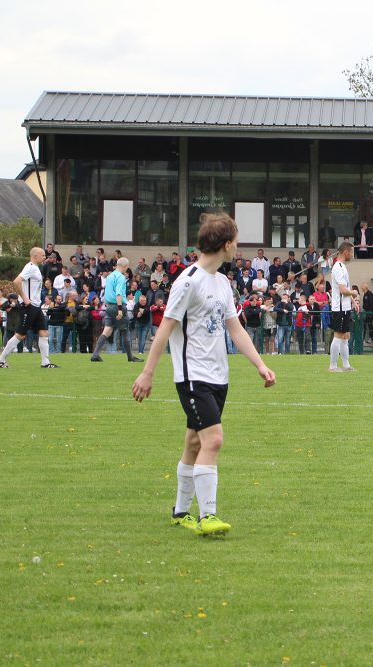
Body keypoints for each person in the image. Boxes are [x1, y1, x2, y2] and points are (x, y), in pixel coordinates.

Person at [131, 212, 276, 537]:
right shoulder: (188, 281)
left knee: (194, 442)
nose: (237, 247)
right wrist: (147, 373)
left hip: (218, 377)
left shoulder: (222, 283)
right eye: (235, 240)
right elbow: (165, 328)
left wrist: (260, 364)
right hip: (192, 377)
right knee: (214, 439)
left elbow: (235, 329)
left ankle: (180, 511)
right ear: (226, 244)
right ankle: (207, 515)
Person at [0, 248, 59, 369]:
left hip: (36, 307)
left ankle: (45, 363)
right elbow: (16, 282)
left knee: (43, 332)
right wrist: (25, 298)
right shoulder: (30, 267)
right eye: (42, 255)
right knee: (21, 334)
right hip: (29, 307)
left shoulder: (36, 267)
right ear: (35, 256)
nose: (44, 257)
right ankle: (1, 359)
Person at [91, 257, 141, 363]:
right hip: (118, 306)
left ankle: (95, 354)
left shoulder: (109, 276)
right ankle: (130, 357)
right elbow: (118, 293)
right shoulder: (121, 277)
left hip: (108, 306)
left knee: (107, 330)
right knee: (125, 330)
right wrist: (119, 309)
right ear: (125, 266)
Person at [328, 241, 360, 372]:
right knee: (338, 335)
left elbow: (345, 288)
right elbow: (342, 290)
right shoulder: (338, 267)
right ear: (346, 252)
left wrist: (353, 301)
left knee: (346, 335)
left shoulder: (342, 266)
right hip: (339, 308)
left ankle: (346, 365)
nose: (352, 255)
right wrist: (354, 292)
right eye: (351, 252)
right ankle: (333, 366)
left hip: (345, 307)